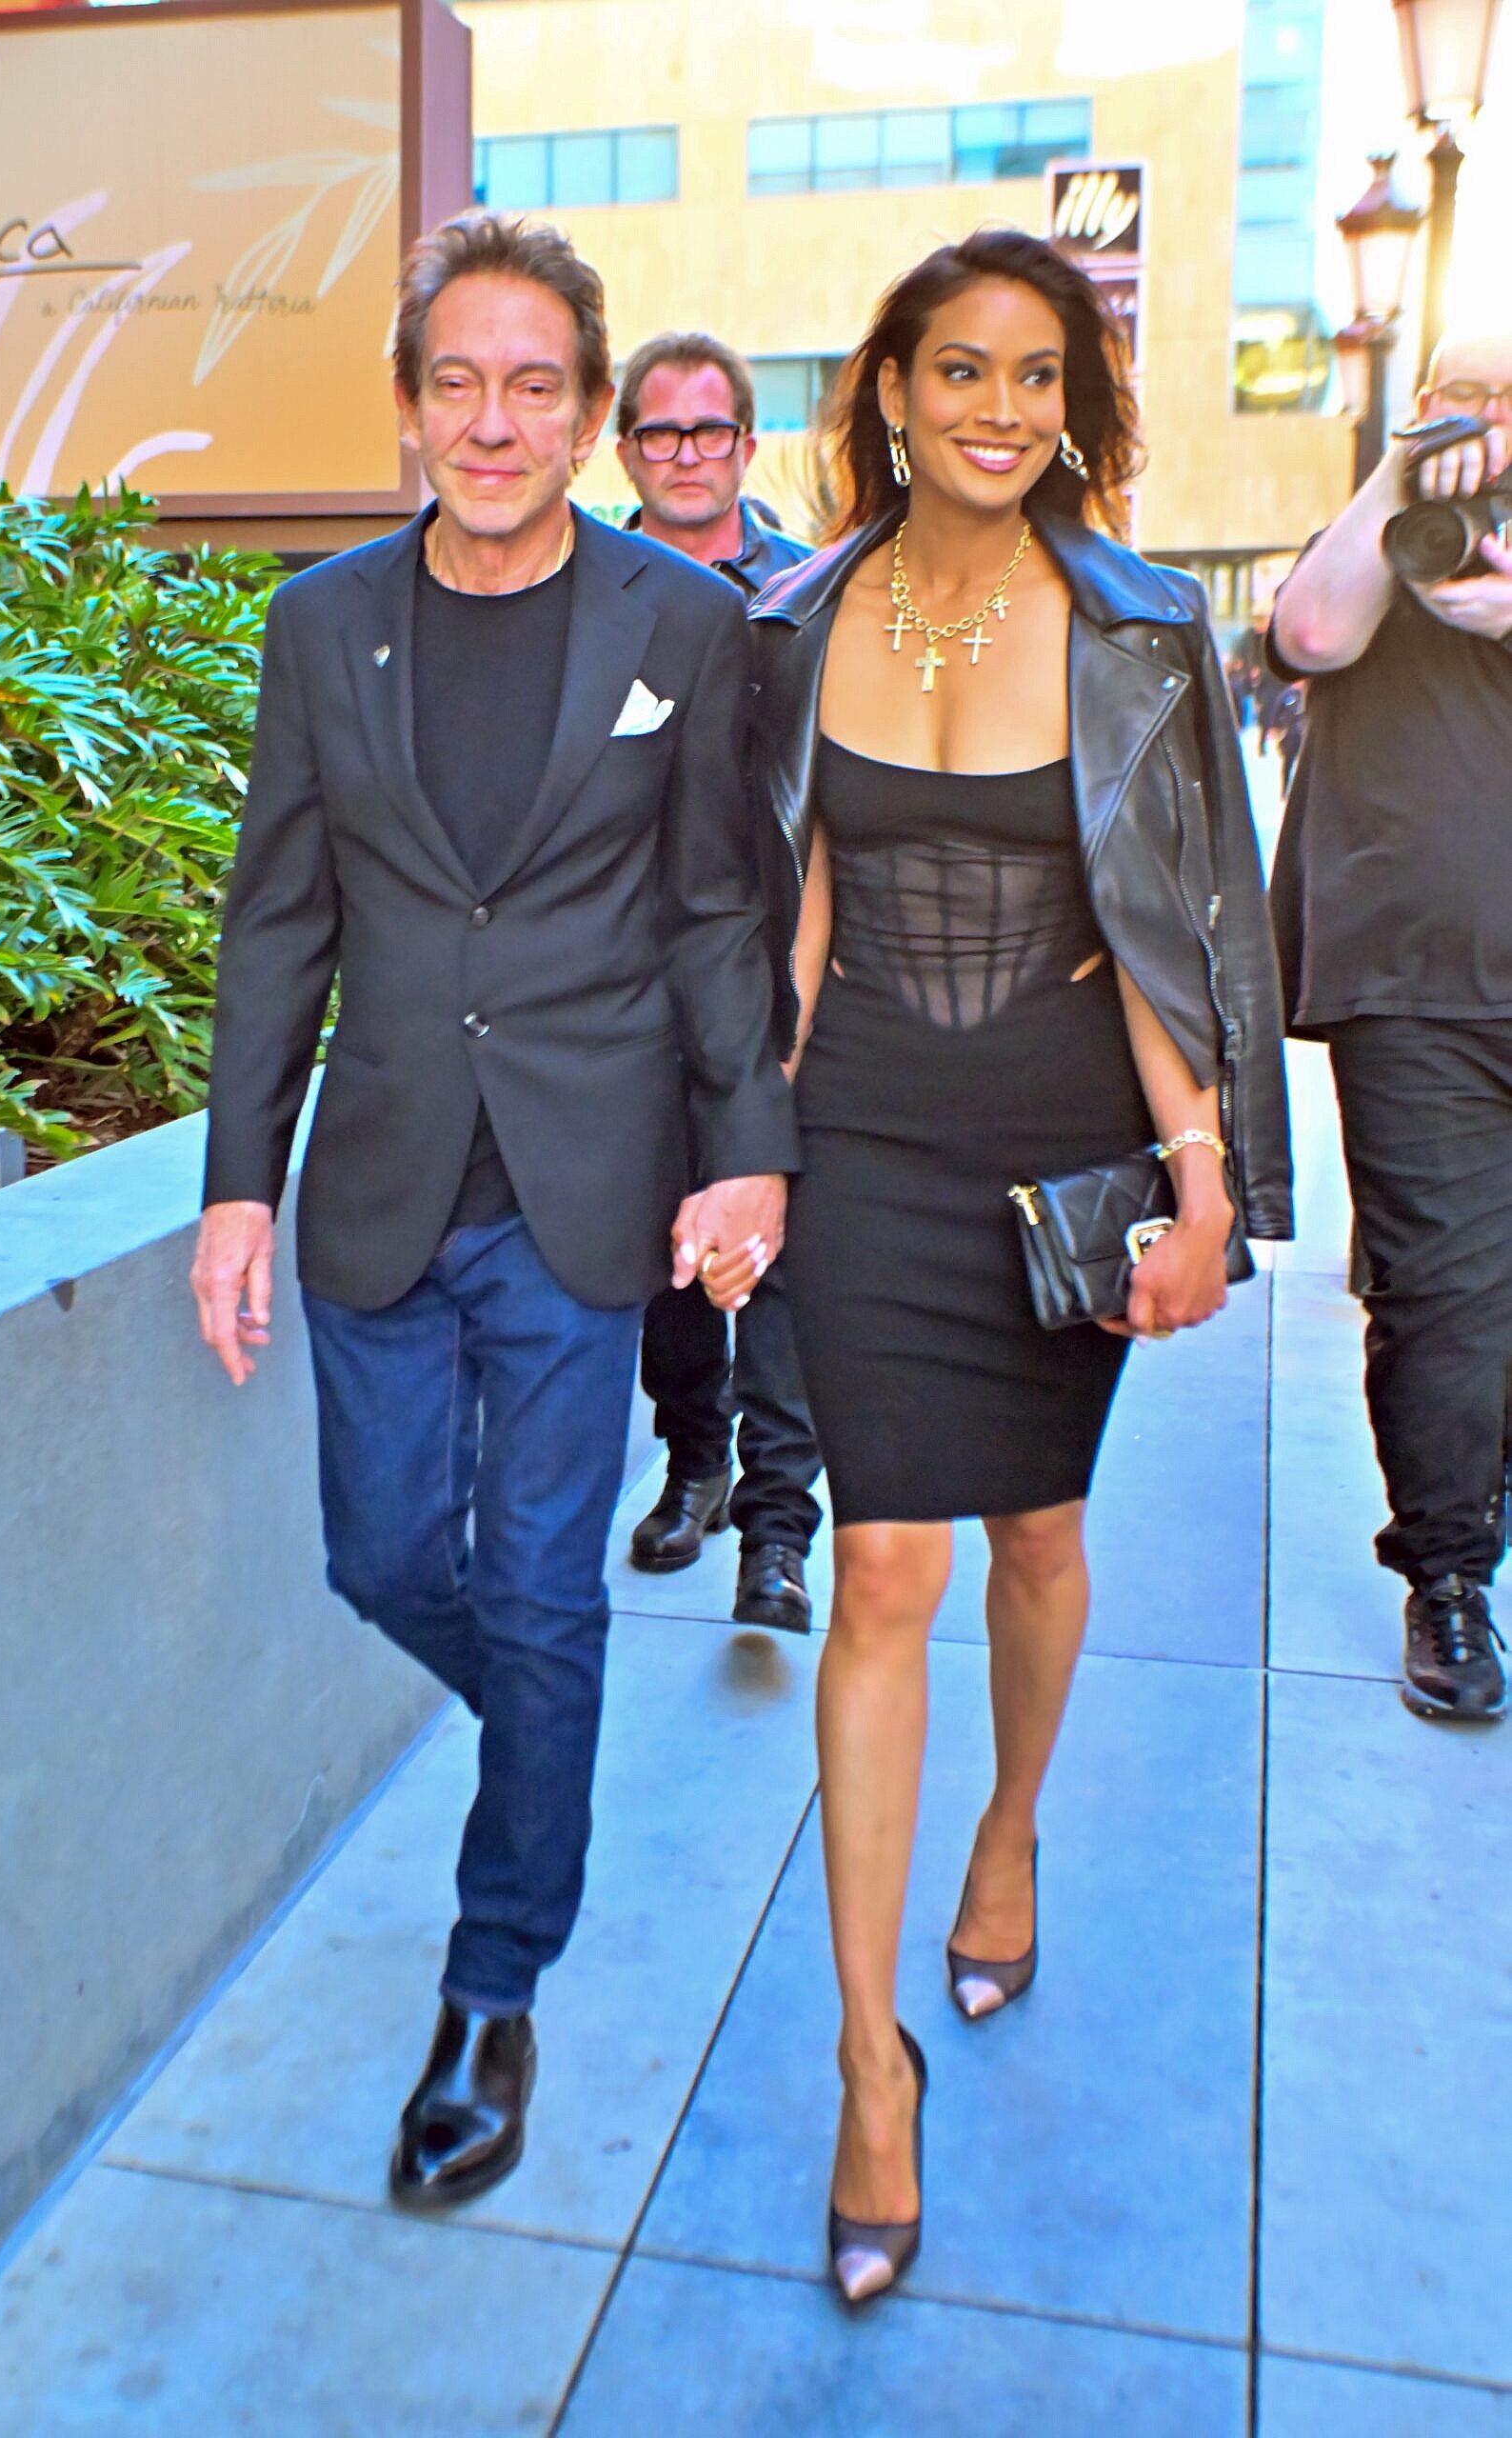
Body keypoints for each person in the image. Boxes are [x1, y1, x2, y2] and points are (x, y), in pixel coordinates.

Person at [189, 210, 796, 2209]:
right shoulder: (320, 623)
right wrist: (233, 1185)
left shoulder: (679, 627)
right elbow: (279, 917)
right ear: (407, 408)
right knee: (382, 1557)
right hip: (375, 1178)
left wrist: (744, 1145)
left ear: (592, 414)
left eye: (535, 383)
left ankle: (488, 1979)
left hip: (576, 1189)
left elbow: (718, 911)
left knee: (537, 1584)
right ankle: (549, 1706)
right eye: (456, 379)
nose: (493, 417)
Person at [744, 228, 1291, 2305]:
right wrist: (749, 1147)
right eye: (955, 369)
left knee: (1035, 1532)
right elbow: (784, 903)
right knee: (886, 1560)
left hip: (1063, 1133)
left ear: (1072, 402)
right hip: (864, 1123)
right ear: (887, 389)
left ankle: (1010, 1825)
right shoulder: (793, 620)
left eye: (1033, 374)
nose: (994, 407)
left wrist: (1202, 1173)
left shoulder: (1137, 629)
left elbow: (1170, 923)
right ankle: (862, 2058)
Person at [1269, 330, 1512, 1724]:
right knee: (1443, 1296)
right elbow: (1309, 633)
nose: (1484, 420)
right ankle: (1449, 1575)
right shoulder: (1378, 533)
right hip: (1414, 981)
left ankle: (1483, 1500)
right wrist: (1397, 476)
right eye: (1458, 394)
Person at [612, 331, 821, 1631]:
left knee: (784, 1248)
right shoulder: (584, 587)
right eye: (660, 432)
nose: (686, 453)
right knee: (669, 1253)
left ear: (747, 445)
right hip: (632, 977)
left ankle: (778, 1532)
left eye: (709, 431)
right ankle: (693, 1467)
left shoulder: (813, 593)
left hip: (788, 963)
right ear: (624, 447)